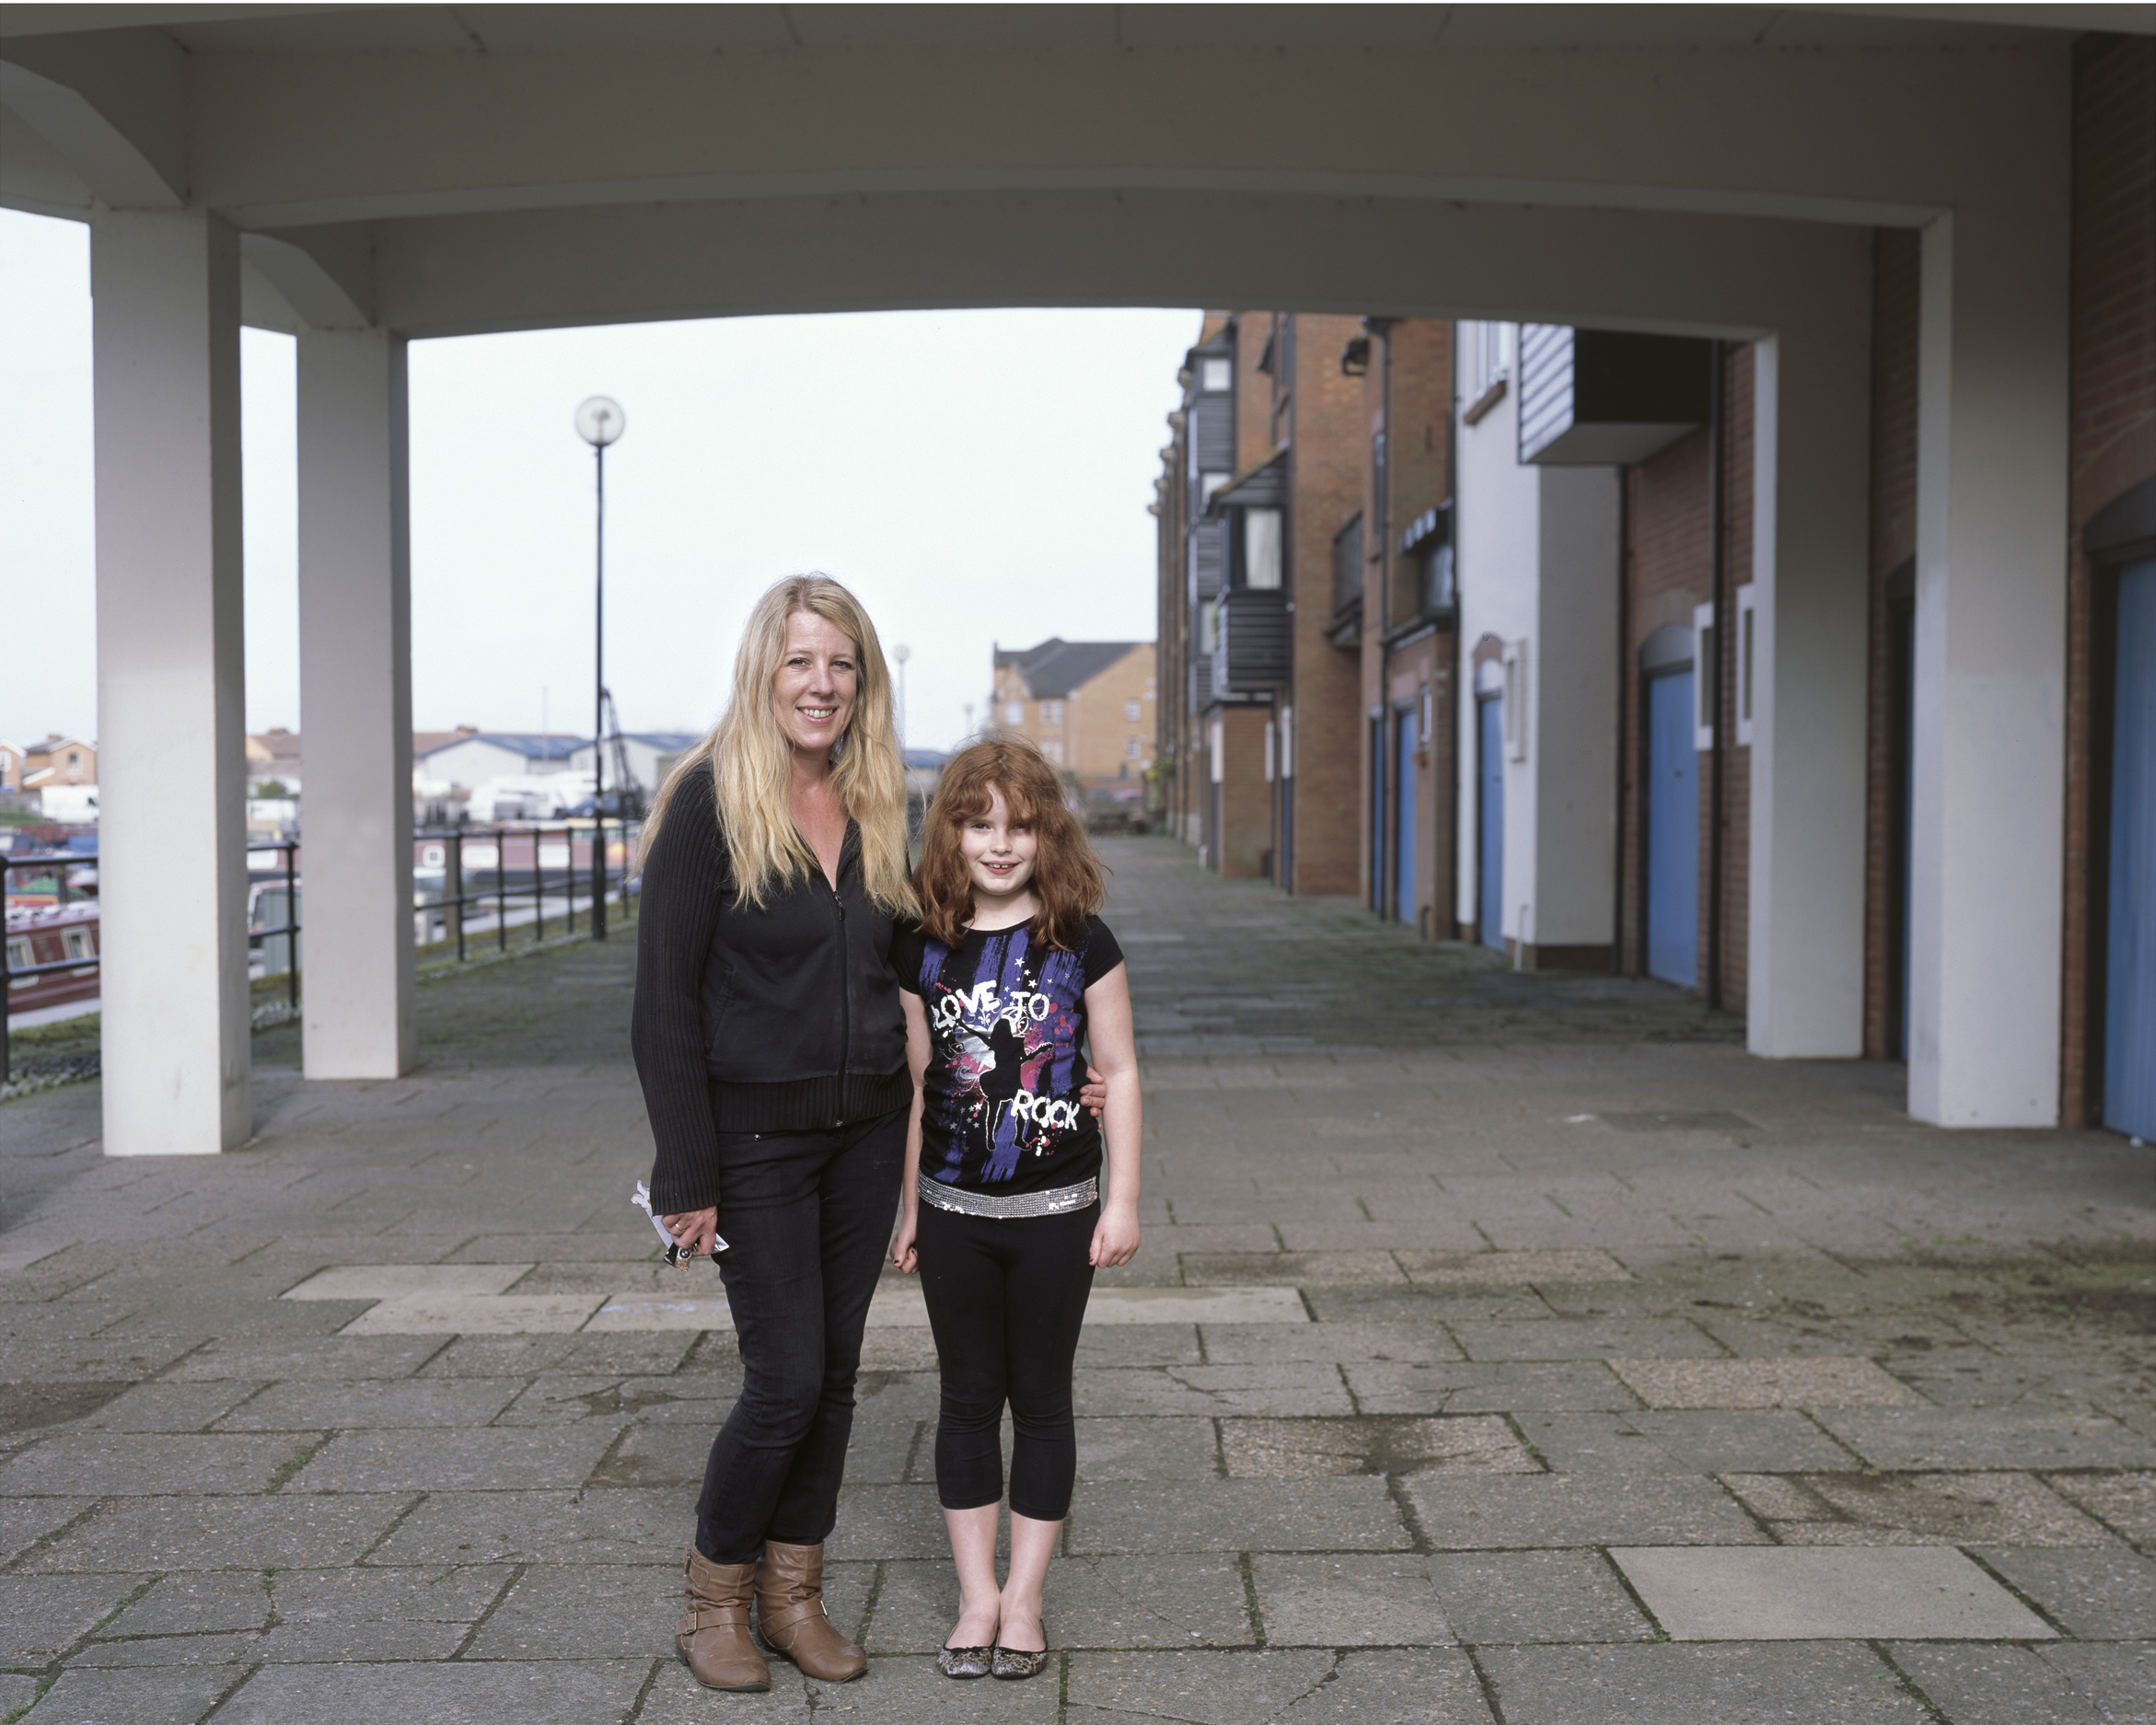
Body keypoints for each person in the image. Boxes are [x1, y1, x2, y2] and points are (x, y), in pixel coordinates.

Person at [632, 573, 918, 1693]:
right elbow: (663, 1005)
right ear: (764, 670)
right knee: (785, 1377)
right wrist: (683, 1171)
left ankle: (795, 1595)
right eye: (801, 660)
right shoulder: (710, 801)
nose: (821, 683)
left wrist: (1049, 1046)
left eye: (842, 662)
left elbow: (917, 971)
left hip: (863, 1132)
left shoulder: (880, 801)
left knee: (836, 1374)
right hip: (751, 1144)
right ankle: (714, 1600)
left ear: (864, 682)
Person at [889, 735, 1143, 1682]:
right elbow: (924, 1085)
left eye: (1020, 825)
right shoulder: (920, 945)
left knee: (1039, 1401)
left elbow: (1116, 1073)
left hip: (1056, 1213)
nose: (998, 843)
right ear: (949, 831)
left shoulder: (1083, 940)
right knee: (963, 1402)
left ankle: (1025, 1600)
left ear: (1048, 833)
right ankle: (974, 1597)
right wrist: (908, 1204)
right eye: (977, 822)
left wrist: (1120, 1199)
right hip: (951, 1210)